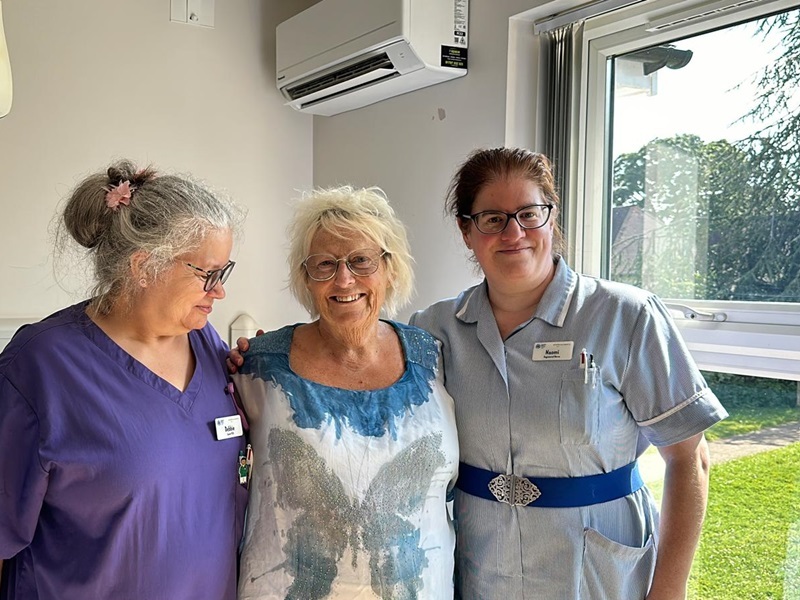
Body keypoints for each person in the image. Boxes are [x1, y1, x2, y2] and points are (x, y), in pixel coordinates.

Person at [408, 147, 729, 599]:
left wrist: (668, 592)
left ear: (551, 218)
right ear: (467, 231)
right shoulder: (432, 329)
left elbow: (688, 458)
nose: (514, 232)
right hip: (481, 570)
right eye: (493, 219)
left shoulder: (626, 316)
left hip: (596, 573)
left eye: (529, 213)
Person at [0, 160, 247, 600]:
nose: (220, 292)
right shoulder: (39, 366)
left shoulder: (208, 345)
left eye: (223, 272)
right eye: (208, 274)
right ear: (143, 266)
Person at [232, 186, 459, 599]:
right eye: (324, 264)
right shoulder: (258, 367)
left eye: (361, 260)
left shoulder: (435, 358)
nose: (343, 279)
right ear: (305, 277)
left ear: (389, 269)